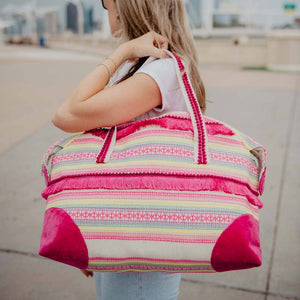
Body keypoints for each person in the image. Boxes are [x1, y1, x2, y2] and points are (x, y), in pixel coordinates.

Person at [52, 0, 206, 299]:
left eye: (106, 3)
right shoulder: (149, 68)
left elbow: (67, 114)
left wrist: (122, 50)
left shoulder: (160, 72)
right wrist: (97, 234)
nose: (105, 10)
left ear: (127, 7)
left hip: (141, 237)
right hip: (127, 226)